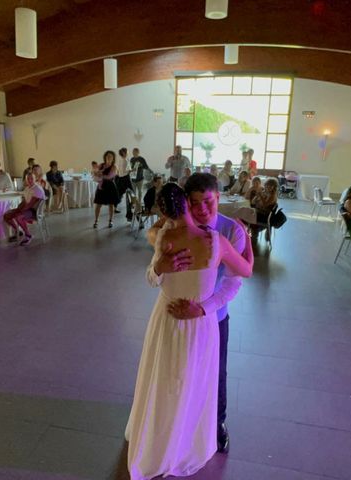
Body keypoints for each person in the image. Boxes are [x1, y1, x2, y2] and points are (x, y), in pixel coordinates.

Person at [127, 182, 253, 480]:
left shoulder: (228, 231)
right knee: (173, 376)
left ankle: (207, 427)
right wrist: (160, 265)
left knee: (207, 376)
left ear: (217, 198)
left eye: (207, 201)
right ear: (185, 203)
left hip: (207, 316)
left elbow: (237, 279)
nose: (202, 208)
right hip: (177, 319)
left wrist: (204, 307)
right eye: (194, 202)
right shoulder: (194, 236)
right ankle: (176, 438)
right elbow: (245, 270)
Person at [3, 172, 46, 246]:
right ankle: (18, 231)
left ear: (35, 179)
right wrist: (17, 209)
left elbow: (30, 204)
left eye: (31, 178)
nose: (29, 180)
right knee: (6, 216)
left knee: (18, 216)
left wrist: (18, 211)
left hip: (34, 211)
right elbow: (24, 202)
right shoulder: (27, 188)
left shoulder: (37, 189)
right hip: (28, 209)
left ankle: (28, 235)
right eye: (28, 179)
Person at [93, 150, 119, 228]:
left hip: (110, 187)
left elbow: (110, 176)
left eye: (110, 156)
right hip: (101, 187)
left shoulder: (114, 166)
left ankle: (110, 221)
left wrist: (100, 174)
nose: (109, 157)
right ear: (105, 157)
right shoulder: (101, 165)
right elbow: (94, 172)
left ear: (113, 158)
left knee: (111, 205)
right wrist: (97, 173)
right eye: (107, 156)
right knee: (98, 205)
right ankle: (96, 221)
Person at [115, 147, 133, 212]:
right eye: (127, 151)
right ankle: (133, 205)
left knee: (119, 193)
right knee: (132, 192)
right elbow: (126, 171)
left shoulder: (121, 160)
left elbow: (119, 170)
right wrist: (133, 170)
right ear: (123, 153)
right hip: (125, 178)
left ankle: (115, 207)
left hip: (120, 178)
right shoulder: (125, 160)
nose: (128, 152)